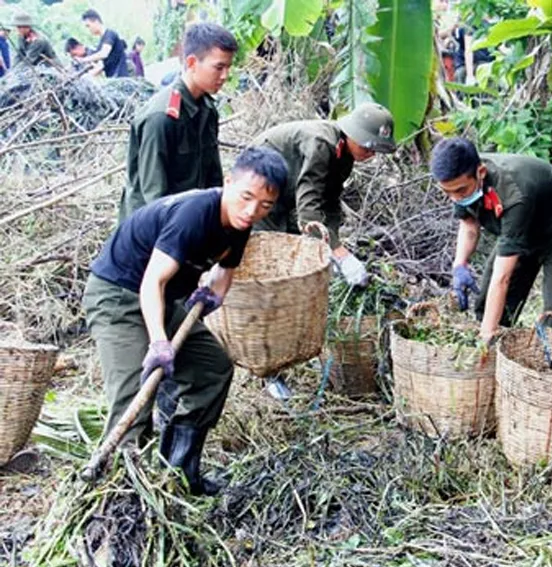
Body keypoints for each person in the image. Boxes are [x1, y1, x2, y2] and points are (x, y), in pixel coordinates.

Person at [83, 147, 289, 495]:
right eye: (246, 197)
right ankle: (121, 495)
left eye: (265, 205)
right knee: (135, 394)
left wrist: (213, 295)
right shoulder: (194, 214)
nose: (252, 211)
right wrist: (158, 342)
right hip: (119, 295)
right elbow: (152, 282)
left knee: (213, 367)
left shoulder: (239, 225)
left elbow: (225, 269)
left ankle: (178, 474)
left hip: (162, 298)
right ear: (228, 183)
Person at [430, 137, 552, 342]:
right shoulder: (461, 177)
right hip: (522, 231)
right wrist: (460, 264)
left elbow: (502, 277)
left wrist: (486, 336)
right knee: (485, 307)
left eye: (460, 191)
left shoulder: (513, 194)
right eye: (447, 192)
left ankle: (550, 355)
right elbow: (469, 224)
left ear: (481, 173)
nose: (455, 198)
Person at [251, 103, 397, 287]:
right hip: (259, 185)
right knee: (271, 254)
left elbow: (330, 202)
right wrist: (339, 253)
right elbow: (308, 205)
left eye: (374, 151)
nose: (371, 155)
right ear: (351, 134)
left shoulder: (345, 155)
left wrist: (332, 243)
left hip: (286, 188)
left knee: (301, 250)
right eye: (366, 147)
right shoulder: (321, 144)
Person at [120, 22, 238, 220]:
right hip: (153, 226)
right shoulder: (161, 117)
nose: (225, 76)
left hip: (190, 218)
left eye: (228, 68)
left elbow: (213, 179)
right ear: (191, 63)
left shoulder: (208, 110)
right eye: (219, 67)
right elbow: (154, 197)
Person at [78, 9, 128, 78]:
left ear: (96, 21)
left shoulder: (110, 34)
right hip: (112, 79)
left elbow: (104, 53)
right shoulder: (101, 44)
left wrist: (83, 60)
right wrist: (85, 76)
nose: (88, 29)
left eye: (88, 26)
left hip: (121, 78)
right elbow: (101, 66)